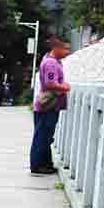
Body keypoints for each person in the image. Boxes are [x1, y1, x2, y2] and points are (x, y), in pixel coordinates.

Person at [30, 37, 72, 175]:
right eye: (65, 49)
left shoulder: (53, 61)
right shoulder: (51, 63)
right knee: (42, 136)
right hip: (48, 105)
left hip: (50, 106)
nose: (68, 52)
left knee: (46, 136)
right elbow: (50, 83)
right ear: (56, 48)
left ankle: (45, 164)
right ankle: (37, 165)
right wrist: (65, 87)